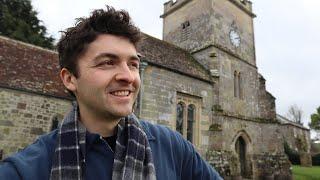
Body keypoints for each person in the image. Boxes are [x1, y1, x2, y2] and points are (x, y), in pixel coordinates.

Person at [0, 6, 222, 180]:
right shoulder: (23, 171)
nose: (128, 76)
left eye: (133, 64)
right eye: (108, 62)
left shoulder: (173, 147)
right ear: (70, 79)